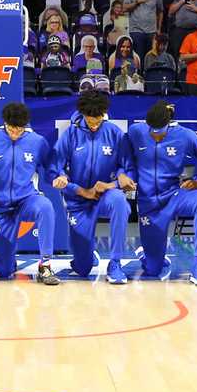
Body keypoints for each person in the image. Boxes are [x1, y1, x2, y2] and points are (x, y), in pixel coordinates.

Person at [119, 101, 197, 285]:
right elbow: (122, 157)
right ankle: (148, 255)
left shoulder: (185, 136)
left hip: (174, 195)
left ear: (168, 125)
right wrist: (122, 174)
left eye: (160, 132)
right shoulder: (135, 132)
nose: (156, 136)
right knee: (153, 270)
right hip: (148, 203)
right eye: (152, 132)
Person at [0, 103, 58, 284]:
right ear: (4, 123)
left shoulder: (37, 142)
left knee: (46, 207)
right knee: (4, 271)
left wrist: (58, 177)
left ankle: (46, 265)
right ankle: (7, 260)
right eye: (11, 129)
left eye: (20, 130)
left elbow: (51, 168)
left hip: (26, 200)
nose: (15, 133)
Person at [49, 91, 130, 283]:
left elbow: (127, 168)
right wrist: (68, 182)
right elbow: (54, 168)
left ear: (104, 114)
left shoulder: (115, 133)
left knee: (119, 201)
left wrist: (116, 181)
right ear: (83, 114)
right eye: (90, 120)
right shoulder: (70, 134)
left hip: (104, 196)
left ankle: (115, 263)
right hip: (78, 201)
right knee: (83, 268)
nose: (94, 125)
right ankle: (86, 256)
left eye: (98, 120)